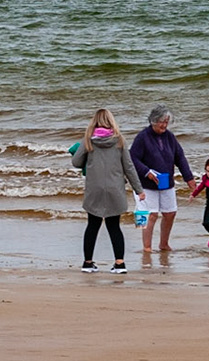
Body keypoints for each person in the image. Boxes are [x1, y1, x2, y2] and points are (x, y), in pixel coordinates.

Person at [73, 108, 144, 273]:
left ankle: (88, 263)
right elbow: (129, 167)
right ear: (112, 122)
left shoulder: (88, 140)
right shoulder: (119, 141)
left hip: (94, 189)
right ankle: (120, 264)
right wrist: (138, 189)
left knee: (92, 225)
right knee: (114, 226)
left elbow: (76, 162)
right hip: (115, 189)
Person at [130, 106, 194, 254]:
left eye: (166, 121)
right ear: (153, 121)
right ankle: (147, 247)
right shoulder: (142, 137)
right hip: (145, 184)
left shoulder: (170, 137)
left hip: (166, 183)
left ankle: (164, 244)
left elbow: (180, 157)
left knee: (170, 213)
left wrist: (188, 178)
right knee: (150, 215)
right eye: (161, 122)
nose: (164, 125)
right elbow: (132, 158)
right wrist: (147, 172)